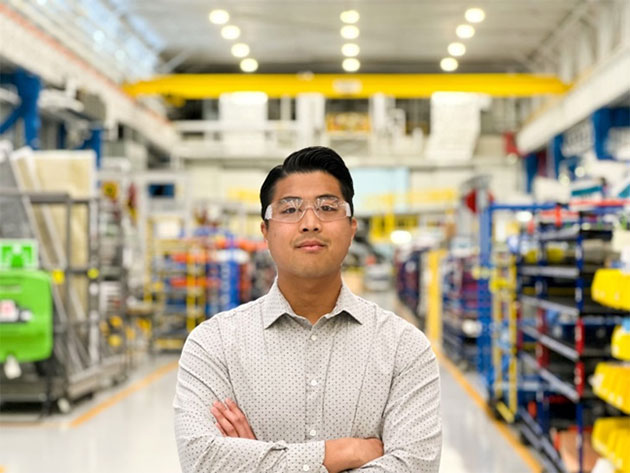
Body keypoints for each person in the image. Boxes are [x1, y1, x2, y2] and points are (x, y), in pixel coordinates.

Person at [174, 146, 442, 473]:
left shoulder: (404, 349)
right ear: (265, 232)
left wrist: (257, 460)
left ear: (352, 228)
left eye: (328, 207)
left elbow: (414, 467)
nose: (310, 223)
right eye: (290, 210)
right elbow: (203, 461)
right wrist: (343, 452)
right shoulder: (214, 345)